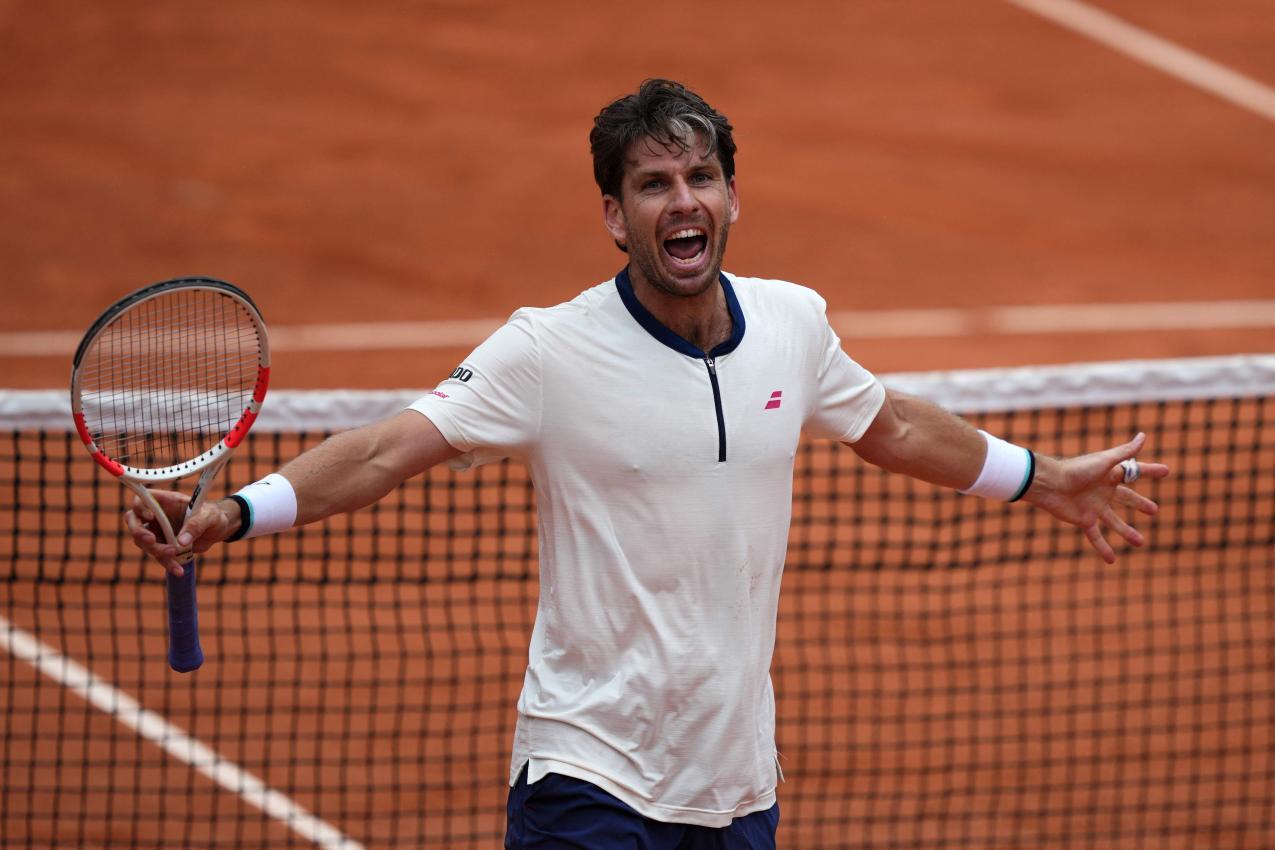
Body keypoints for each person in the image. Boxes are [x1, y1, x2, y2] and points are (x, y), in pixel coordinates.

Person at [125, 78, 1169, 849]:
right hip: (588, 774)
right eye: (654, 184)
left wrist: (1039, 477)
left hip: (735, 783)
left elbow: (889, 423)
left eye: (700, 177)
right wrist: (239, 511)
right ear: (615, 217)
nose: (683, 201)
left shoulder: (793, 326)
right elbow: (388, 448)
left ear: (731, 198)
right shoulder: (546, 350)